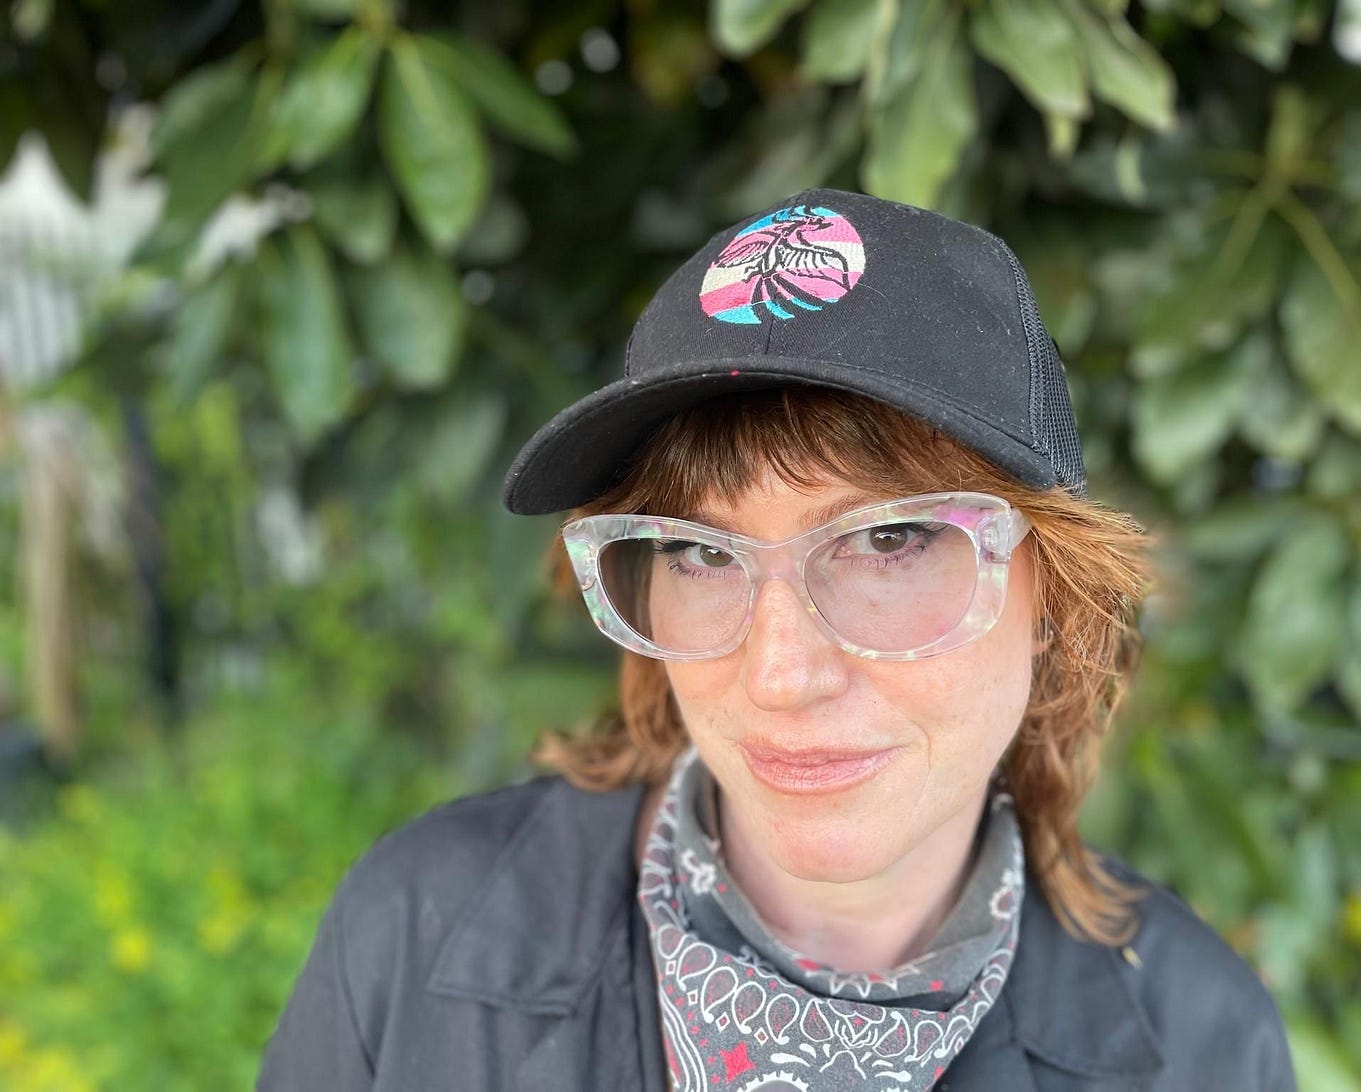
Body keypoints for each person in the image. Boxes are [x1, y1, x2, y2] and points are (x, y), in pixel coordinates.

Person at [257, 189, 1296, 1091]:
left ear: (1054, 599)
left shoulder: (1202, 1044)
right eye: (701, 554)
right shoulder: (416, 925)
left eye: (889, 539)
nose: (781, 674)